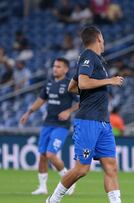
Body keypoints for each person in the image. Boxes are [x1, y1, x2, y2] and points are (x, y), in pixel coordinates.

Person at [46, 26, 124, 203]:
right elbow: (83, 82)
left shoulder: (94, 60)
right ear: (98, 38)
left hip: (103, 121)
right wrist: (109, 80)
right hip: (89, 120)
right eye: (102, 38)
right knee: (82, 169)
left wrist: (90, 91)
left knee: (111, 167)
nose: (103, 42)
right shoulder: (88, 56)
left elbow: (72, 87)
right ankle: (53, 200)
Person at [19, 58, 79, 195]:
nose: (55, 69)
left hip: (61, 126)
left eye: (58, 66)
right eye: (54, 66)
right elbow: (41, 100)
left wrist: (68, 111)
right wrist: (28, 112)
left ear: (66, 69)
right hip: (47, 123)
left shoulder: (70, 84)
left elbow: (81, 102)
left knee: (51, 154)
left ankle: (69, 181)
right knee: (42, 155)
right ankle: (42, 187)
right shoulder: (49, 83)